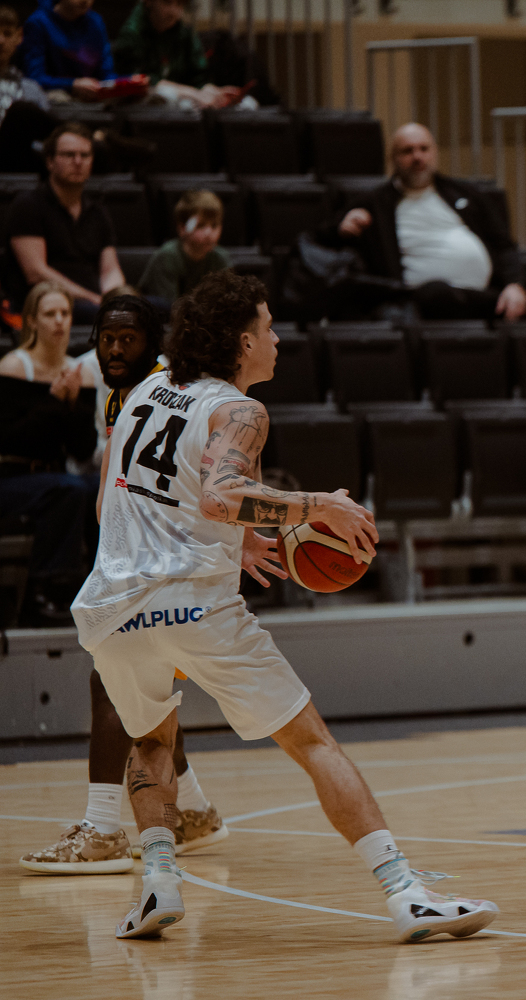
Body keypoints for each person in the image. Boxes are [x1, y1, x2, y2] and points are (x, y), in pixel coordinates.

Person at [70, 270, 497, 941]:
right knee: (312, 743)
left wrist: (237, 538)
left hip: (109, 610)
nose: (277, 340)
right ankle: (406, 894)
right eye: (268, 328)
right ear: (243, 342)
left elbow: (110, 505)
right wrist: (318, 506)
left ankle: (157, 885)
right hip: (192, 605)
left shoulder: (143, 391)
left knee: (151, 739)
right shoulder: (239, 412)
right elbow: (219, 496)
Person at [19, 292, 229, 875]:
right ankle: (195, 812)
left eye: (127, 339)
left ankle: (103, 829)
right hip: (139, 560)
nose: (114, 348)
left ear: (152, 344)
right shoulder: (120, 392)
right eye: (106, 339)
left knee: (114, 682)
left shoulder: (162, 393)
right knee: (142, 692)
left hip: (170, 564)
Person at [320, 122, 526, 322]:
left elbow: (504, 246)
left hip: (490, 291)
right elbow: (321, 239)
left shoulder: (466, 194)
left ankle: (496, 307)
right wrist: (341, 228)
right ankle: (494, 313)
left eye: (424, 149)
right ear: (394, 159)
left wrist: (515, 286)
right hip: (428, 296)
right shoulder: (374, 202)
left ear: (435, 153)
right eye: (408, 151)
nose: (418, 157)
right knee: (436, 295)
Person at [0, 282, 97, 625]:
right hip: (11, 477)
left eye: (65, 313)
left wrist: (73, 407)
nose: (59, 321)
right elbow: (10, 440)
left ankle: (103, 584)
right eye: (50, 313)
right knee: (69, 489)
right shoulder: (13, 367)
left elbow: (83, 449)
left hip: (54, 475)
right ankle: (46, 588)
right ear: (32, 321)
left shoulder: (79, 373)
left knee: (101, 486)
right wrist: (55, 403)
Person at [4, 122, 124, 326]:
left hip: (94, 302)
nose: (78, 162)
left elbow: (110, 270)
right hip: (47, 304)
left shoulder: (97, 211)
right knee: (105, 317)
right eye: (69, 155)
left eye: (84, 155)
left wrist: (114, 298)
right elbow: (36, 273)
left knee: (159, 309)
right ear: (50, 161)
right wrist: (93, 299)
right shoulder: (28, 205)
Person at [111, 0, 224, 107]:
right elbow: (138, 82)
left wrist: (210, 91)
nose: (173, 12)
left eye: (179, 4)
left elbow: (198, 76)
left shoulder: (183, 32)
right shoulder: (131, 34)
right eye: (167, 2)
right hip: (142, 112)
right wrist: (191, 93)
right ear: (148, 2)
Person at [138, 190, 230, 302]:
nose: (209, 233)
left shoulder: (221, 258)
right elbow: (168, 306)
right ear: (182, 228)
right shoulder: (167, 256)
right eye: (200, 225)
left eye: (214, 225)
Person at [20, 0, 119, 99]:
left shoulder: (96, 21)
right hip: (53, 95)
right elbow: (34, 78)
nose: (85, 1)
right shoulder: (38, 22)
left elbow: (107, 73)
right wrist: (72, 84)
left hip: (92, 95)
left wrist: (121, 84)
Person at [0, 5, 55, 174]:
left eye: (7, 34)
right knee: (21, 111)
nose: (0, 41)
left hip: (21, 162)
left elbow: (44, 142)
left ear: (19, 37)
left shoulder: (31, 88)